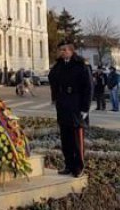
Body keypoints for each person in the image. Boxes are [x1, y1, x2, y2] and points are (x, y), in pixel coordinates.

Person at [50, 40, 92, 178]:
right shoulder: (59, 65)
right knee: (65, 138)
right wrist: (55, 98)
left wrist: (85, 108)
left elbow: (88, 88)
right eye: (60, 50)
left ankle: (78, 167)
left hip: (76, 105)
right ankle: (68, 165)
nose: (62, 52)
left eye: (64, 50)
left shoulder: (80, 65)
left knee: (76, 139)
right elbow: (52, 79)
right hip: (63, 105)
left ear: (71, 50)